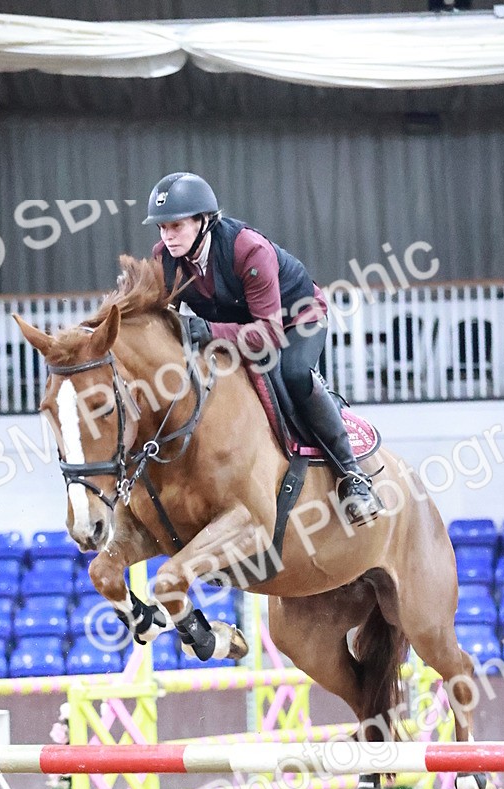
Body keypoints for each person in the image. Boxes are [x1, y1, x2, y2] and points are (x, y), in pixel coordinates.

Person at [144, 172, 385, 526]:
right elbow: (164, 318)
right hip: (238, 326)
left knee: (293, 373)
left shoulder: (247, 248)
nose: (167, 236)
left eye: (176, 226)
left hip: (293, 321)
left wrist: (206, 330)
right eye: (162, 228)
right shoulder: (164, 257)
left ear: (203, 221)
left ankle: (353, 477)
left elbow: (267, 336)